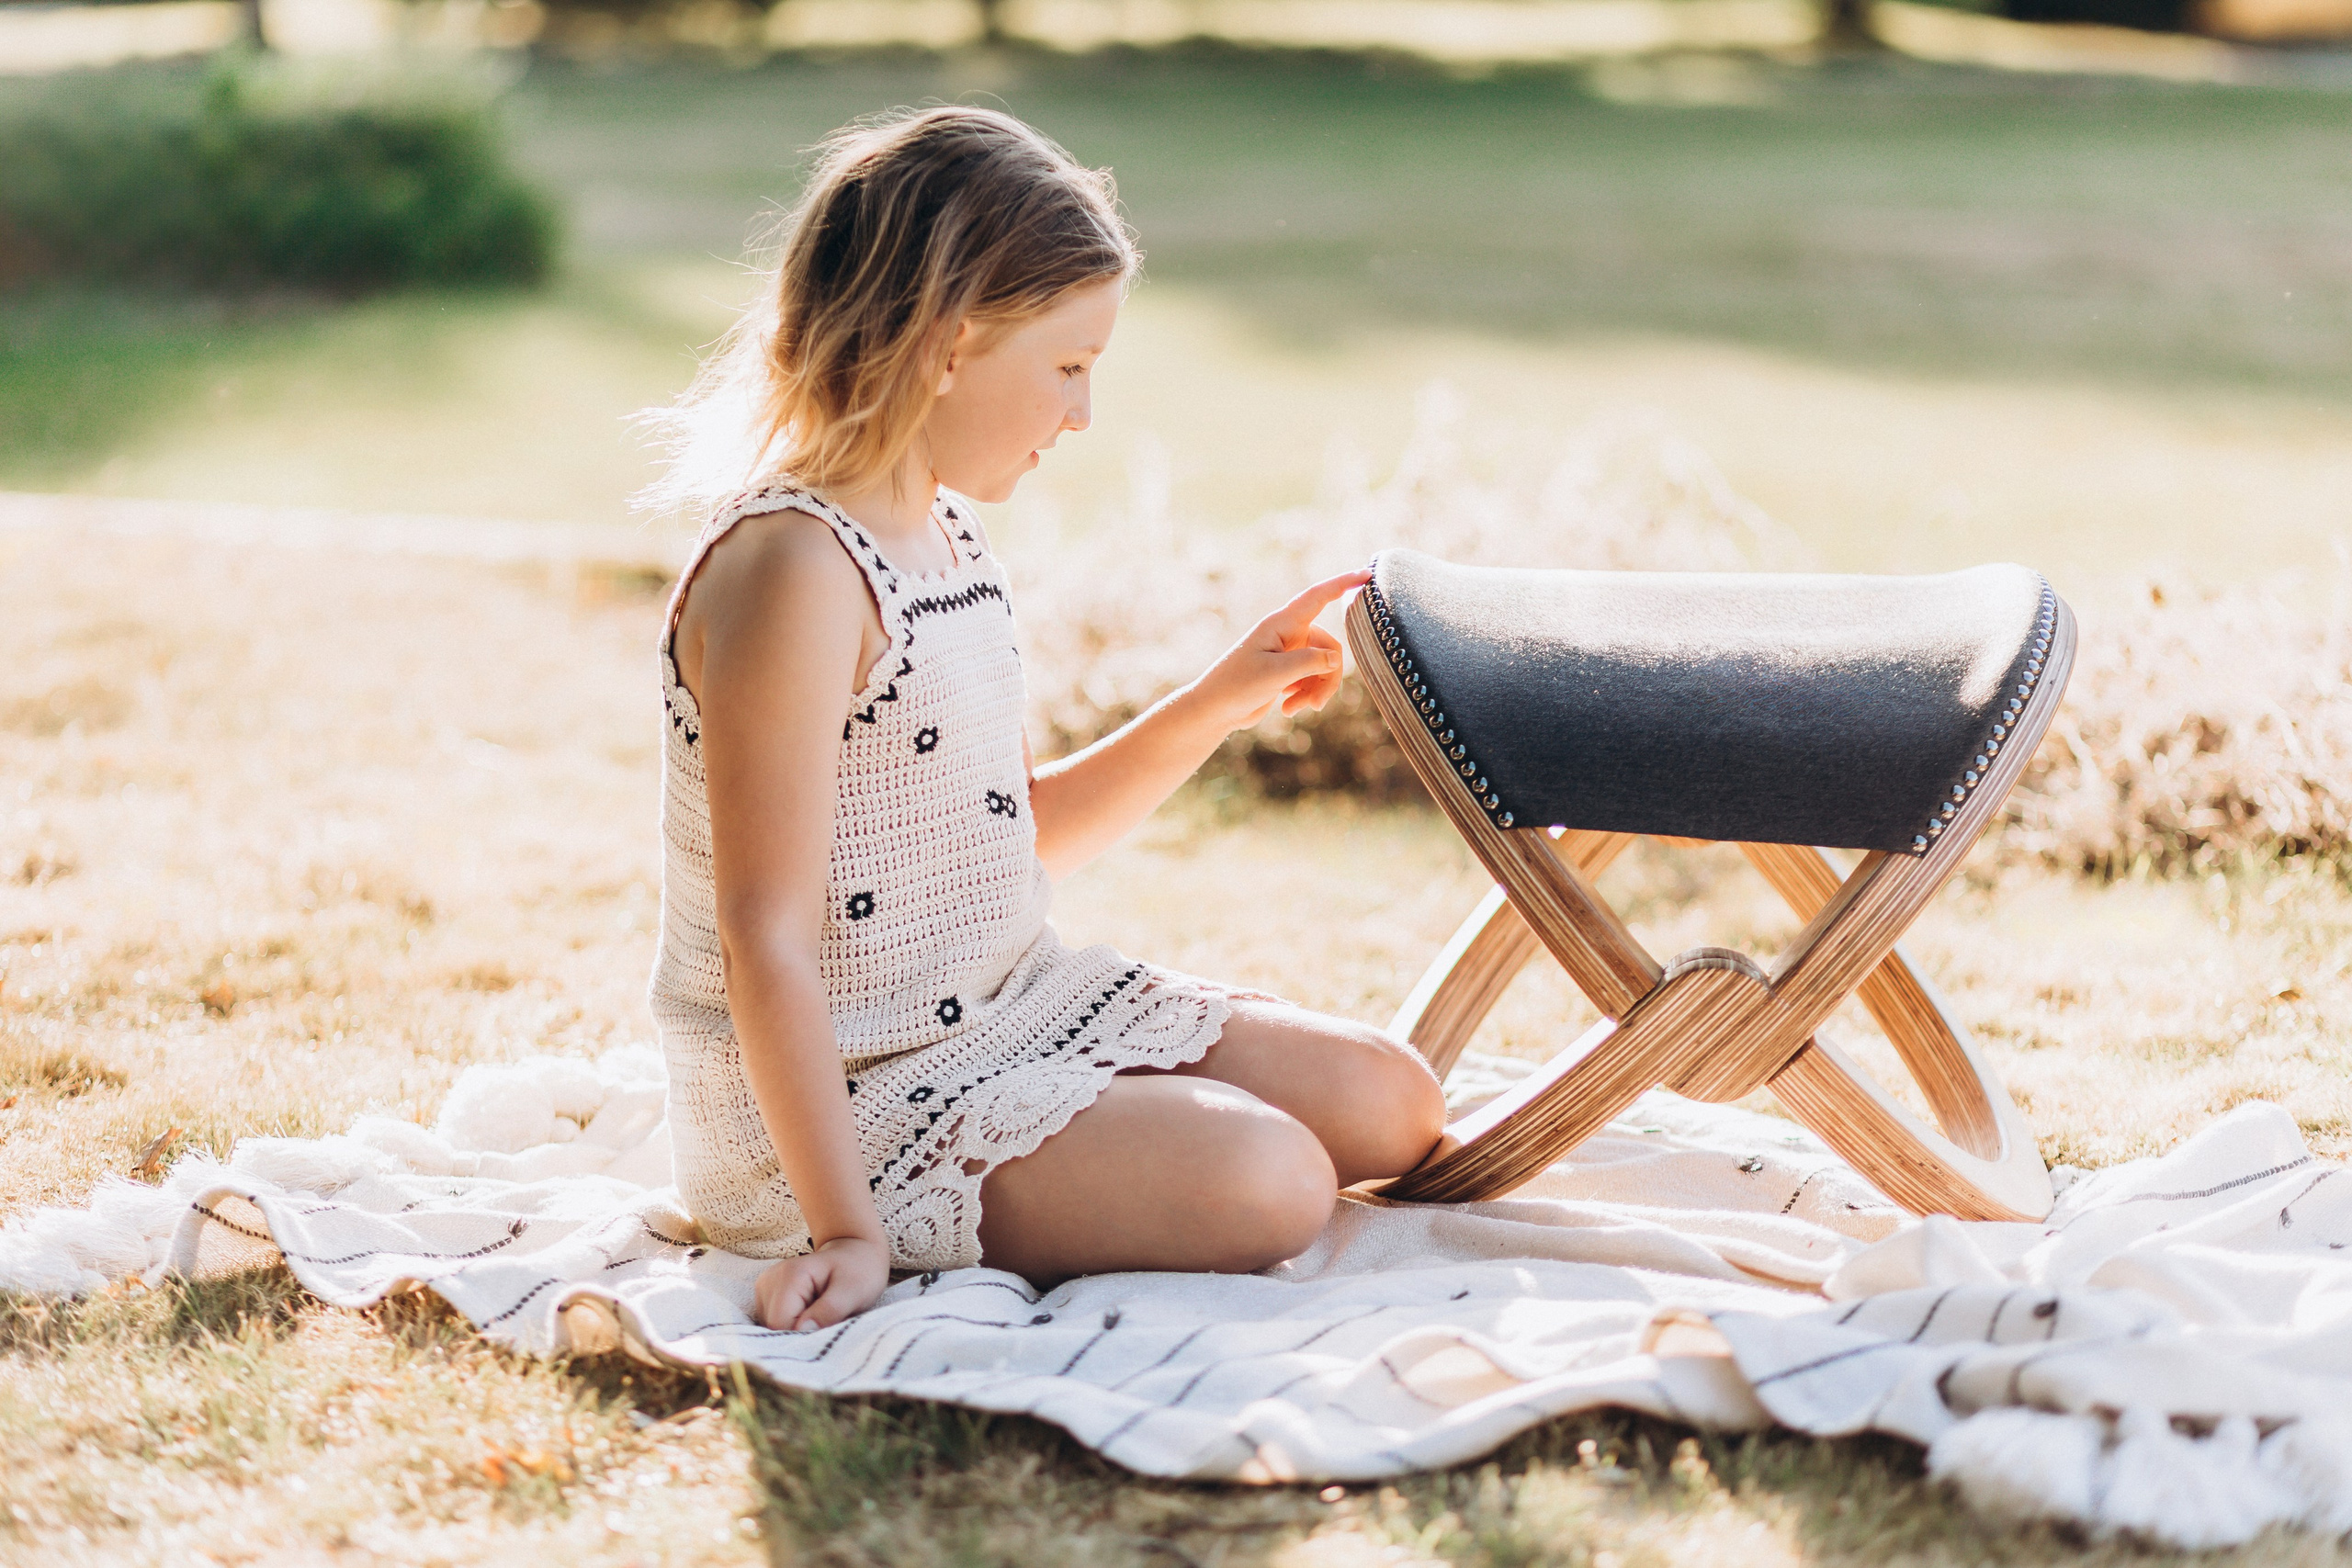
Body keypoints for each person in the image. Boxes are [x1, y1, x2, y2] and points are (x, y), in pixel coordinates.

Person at [642, 105, 1446, 1336]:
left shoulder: (949, 538)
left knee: (1393, 1103)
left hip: (1016, 1008)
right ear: (950, 348)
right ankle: (925, 1194)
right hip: (853, 1100)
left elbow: (1008, 841)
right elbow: (767, 940)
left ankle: (1095, 1130)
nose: (1081, 414)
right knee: (1273, 1179)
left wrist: (1214, 703)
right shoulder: (793, 571)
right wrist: (848, 1228)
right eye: (1068, 366)